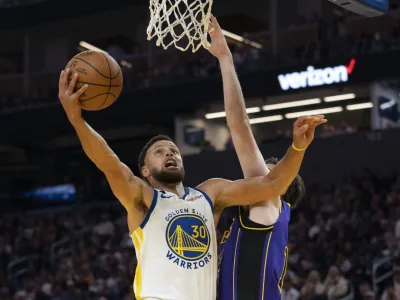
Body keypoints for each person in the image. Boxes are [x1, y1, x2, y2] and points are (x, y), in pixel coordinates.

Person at [58, 28, 324, 300]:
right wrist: (77, 121)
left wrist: (298, 148)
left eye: (173, 149)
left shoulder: (210, 194)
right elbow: (110, 164)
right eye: (159, 152)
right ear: (145, 171)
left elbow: (271, 183)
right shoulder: (142, 197)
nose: (170, 153)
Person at [206, 16, 326, 300]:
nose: (251, 178)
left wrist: (225, 58)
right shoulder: (264, 218)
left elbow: (239, 124)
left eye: (267, 173)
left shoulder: (268, 200)